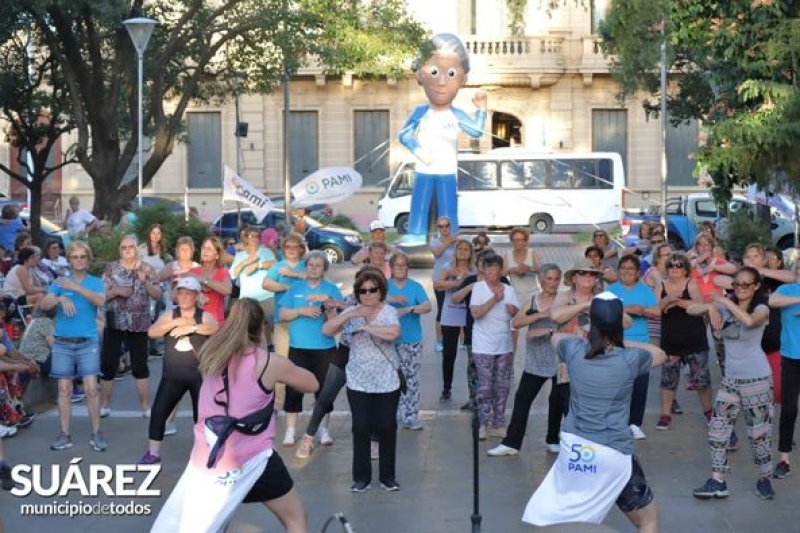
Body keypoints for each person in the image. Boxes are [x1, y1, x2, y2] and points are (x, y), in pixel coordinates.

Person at [149, 298, 318, 532]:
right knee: (296, 519)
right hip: (253, 459)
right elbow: (312, 384)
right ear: (260, 327)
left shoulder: (208, 352)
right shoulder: (268, 362)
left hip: (208, 458)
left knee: (215, 524)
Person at [522, 292, 664, 532]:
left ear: (592, 322)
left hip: (576, 449)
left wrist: (586, 307)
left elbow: (555, 334)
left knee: (569, 517)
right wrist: (618, 341)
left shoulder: (573, 349)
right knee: (647, 520)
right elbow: (659, 354)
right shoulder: (630, 358)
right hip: (614, 452)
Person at [687, 266, 776, 500]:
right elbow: (691, 309)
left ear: (756, 286)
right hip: (731, 380)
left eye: (746, 284)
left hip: (756, 379)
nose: (741, 289)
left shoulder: (761, 308)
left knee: (759, 434)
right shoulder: (726, 306)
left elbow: (748, 321)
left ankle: (765, 478)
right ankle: (718, 481)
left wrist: (725, 302)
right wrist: (708, 306)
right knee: (718, 430)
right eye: (737, 284)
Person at [398, 33, 487, 245]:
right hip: (424, 168)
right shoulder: (421, 112)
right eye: (434, 72)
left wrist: (482, 110)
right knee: (420, 201)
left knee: (448, 205)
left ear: (463, 79)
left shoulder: (456, 114)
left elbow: (475, 131)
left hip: (447, 169)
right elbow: (404, 134)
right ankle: (416, 232)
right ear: (420, 75)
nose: (441, 82)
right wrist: (419, 151)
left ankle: (449, 234)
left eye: (451, 74)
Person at [322, 269, 402, 492]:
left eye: (372, 290)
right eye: (362, 291)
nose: (367, 295)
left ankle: (387, 476)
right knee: (360, 427)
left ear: (381, 291)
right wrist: (348, 315)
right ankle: (361, 478)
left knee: (387, 426)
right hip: (358, 379)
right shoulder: (351, 313)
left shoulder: (389, 312)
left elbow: (394, 333)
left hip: (386, 379)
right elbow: (327, 330)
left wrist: (367, 326)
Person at [488, 264, 567, 457]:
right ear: (541, 280)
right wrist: (540, 316)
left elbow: (574, 326)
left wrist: (548, 331)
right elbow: (516, 322)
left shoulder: (565, 300)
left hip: (560, 359)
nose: (553, 283)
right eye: (549, 278)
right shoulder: (533, 301)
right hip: (536, 360)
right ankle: (511, 443)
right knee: (522, 398)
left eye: (557, 279)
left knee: (557, 400)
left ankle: (553, 439)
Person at [139, 277, 218, 465]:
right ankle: (153, 454)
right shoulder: (170, 314)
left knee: (202, 417)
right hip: (172, 376)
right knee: (159, 412)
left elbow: (216, 329)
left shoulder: (204, 315)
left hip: (198, 376)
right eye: (181, 292)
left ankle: (205, 453)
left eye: (188, 293)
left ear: (196, 295)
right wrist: (176, 323)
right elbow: (152, 332)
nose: (184, 296)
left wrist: (191, 326)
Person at [39, 241, 106, 451]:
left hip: (87, 342)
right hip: (62, 343)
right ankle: (64, 434)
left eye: (82, 257)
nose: (79, 260)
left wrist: (76, 288)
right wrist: (59, 299)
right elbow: (43, 304)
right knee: (64, 389)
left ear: (88, 259)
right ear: (69, 259)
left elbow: (100, 301)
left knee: (92, 389)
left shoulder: (95, 282)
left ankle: (96, 433)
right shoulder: (59, 282)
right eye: (75, 257)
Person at [278, 251, 342, 447]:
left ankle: (324, 431)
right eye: (310, 264)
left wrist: (327, 302)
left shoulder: (331, 289)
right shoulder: (295, 288)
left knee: (325, 391)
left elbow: (340, 317)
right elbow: (282, 314)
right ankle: (290, 431)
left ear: (324, 269)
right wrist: (300, 310)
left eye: (318, 265)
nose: (314, 268)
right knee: (294, 389)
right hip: (298, 347)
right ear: (306, 267)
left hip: (325, 347)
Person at [100, 235, 162, 418]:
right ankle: (104, 405)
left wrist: (145, 283)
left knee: (140, 366)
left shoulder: (147, 268)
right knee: (109, 364)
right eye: (124, 247)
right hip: (115, 321)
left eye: (131, 247)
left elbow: (158, 295)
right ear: (120, 250)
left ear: (136, 249)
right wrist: (117, 291)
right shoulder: (111, 268)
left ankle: (145, 406)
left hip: (139, 323)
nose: (127, 250)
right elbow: (100, 294)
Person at [655, 251, 712, 430]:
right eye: (671, 265)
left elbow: (700, 307)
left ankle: (709, 413)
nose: (675, 268)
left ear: (686, 268)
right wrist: (666, 300)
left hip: (694, 340)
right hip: (671, 341)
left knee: (701, 380)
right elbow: (654, 310)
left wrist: (676, 302)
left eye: (679, 265)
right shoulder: (661, 285)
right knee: (668, 380)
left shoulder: (692, 283)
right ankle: (665, 415)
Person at [608, 255, 660, 440]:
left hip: (641, 344)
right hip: (616, 343)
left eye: (631, 268)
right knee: (617, 385)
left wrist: (642, 310)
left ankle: (635, 423)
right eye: (624, 268)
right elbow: (604, 311)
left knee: (639, 385)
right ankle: (616, 422)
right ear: (618, 270)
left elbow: (656, 311)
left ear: (638, 272)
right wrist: (629, 309)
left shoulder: (645, 290)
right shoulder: (610, 289)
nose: (627, 271)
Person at [469, 253, 520, 440]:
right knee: (485, 386)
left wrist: (513, 311)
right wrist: (494, 300)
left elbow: (518, 317)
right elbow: (476, 313)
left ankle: (499, 423)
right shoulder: (479, 288)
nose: (490, 272)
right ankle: (482, 423)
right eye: (487, 268)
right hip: (482, 346)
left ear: (500, 270)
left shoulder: (509, 290)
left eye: (494, 269)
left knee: (503, 386)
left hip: (504, 345)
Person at [387, 252, 431, 430]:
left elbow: (427, 306)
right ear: (391, 267)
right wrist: (391, 299)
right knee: (388, 378)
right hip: (386, 339)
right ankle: (390, 413)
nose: (401, 268)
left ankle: (410, 415)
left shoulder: (415, 287)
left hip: (410, 340)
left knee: (410, 378)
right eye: (397, 265)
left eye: (404, 265)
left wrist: (409, 309)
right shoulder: (384, 286)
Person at [768, 257, 800, 480]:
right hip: (791, 359)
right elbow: (773, 301)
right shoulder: (786, 289)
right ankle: (784, 458)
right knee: (789, 410)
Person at [433, 238, 474, 402]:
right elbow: (437, 285)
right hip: (450, 314)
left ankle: (473, 392)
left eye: (466, 249)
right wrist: (456, 281)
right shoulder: (448, 268)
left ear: (471, 253)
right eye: (460, 249)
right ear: (455, 251)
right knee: (449, 354)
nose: (463, 251)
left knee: (473, 355)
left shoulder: (475, 270)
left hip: (469, 316)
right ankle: (446, 387)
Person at [229, 226, 277, 345]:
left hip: (267, 296)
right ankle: (253, 352)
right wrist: (246, 262)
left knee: (272, 326)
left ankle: (271, 349)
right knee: (249, 329)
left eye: (257, 236)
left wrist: (258, 265)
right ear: (246, 238)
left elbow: (275, 264)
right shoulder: (240, 255)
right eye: (251, 236)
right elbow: (232, 274)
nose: (254, 238)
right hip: (248, 298)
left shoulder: (265, 251)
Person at [430, 216, 460, 352]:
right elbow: (437, 253)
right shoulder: (434, 241)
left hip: (456, 279)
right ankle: (439, 340)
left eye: (446, 225)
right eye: (440, 226)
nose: (444, 228)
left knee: (458, 308)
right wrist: (449, 241)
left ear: (450, 226)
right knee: (442, 309)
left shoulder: (457, 241)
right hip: (440, 279)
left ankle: (462, 339)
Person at [189, 236, 232, 325]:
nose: (205, 251)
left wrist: (204, 280)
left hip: (215, 322)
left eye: (209, 248)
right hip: (194, 321)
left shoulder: (222, 273)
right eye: (204, 248)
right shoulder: (193, 271)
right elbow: (175, 296)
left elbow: (228, 290)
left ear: (217, 255)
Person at [503, 227, 542, 306]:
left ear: (526, 241)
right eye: (514, 240)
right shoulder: (508, 255)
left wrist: (529, 269)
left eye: (520, 240)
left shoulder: (532, 253)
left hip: (532, 295)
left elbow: (542, 270)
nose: (517, 242)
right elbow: (500, 274)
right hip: (515, 296)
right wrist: (511, 270)